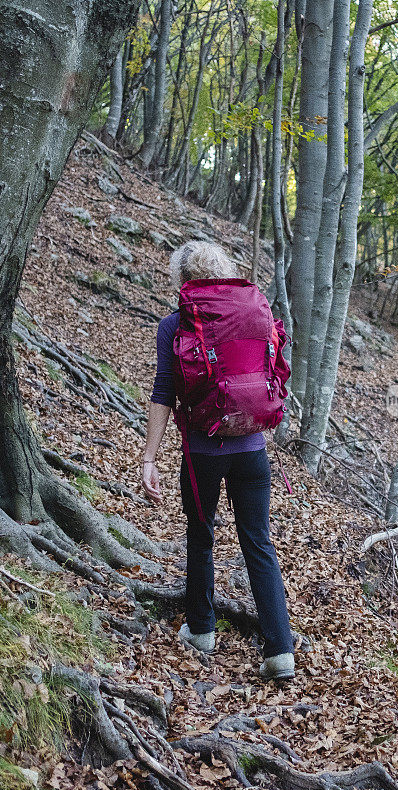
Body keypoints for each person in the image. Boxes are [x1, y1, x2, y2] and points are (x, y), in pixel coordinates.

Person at [141, 241, 294, 680]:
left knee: (201, 534)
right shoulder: (255, 313)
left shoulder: (175, 324)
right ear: (225, 271)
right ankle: (280, 650)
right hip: (253, 450)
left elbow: (163, 392)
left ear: (182, 279)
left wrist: (149, 456)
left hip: (202, 452)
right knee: (259, 543)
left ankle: (202, 629)